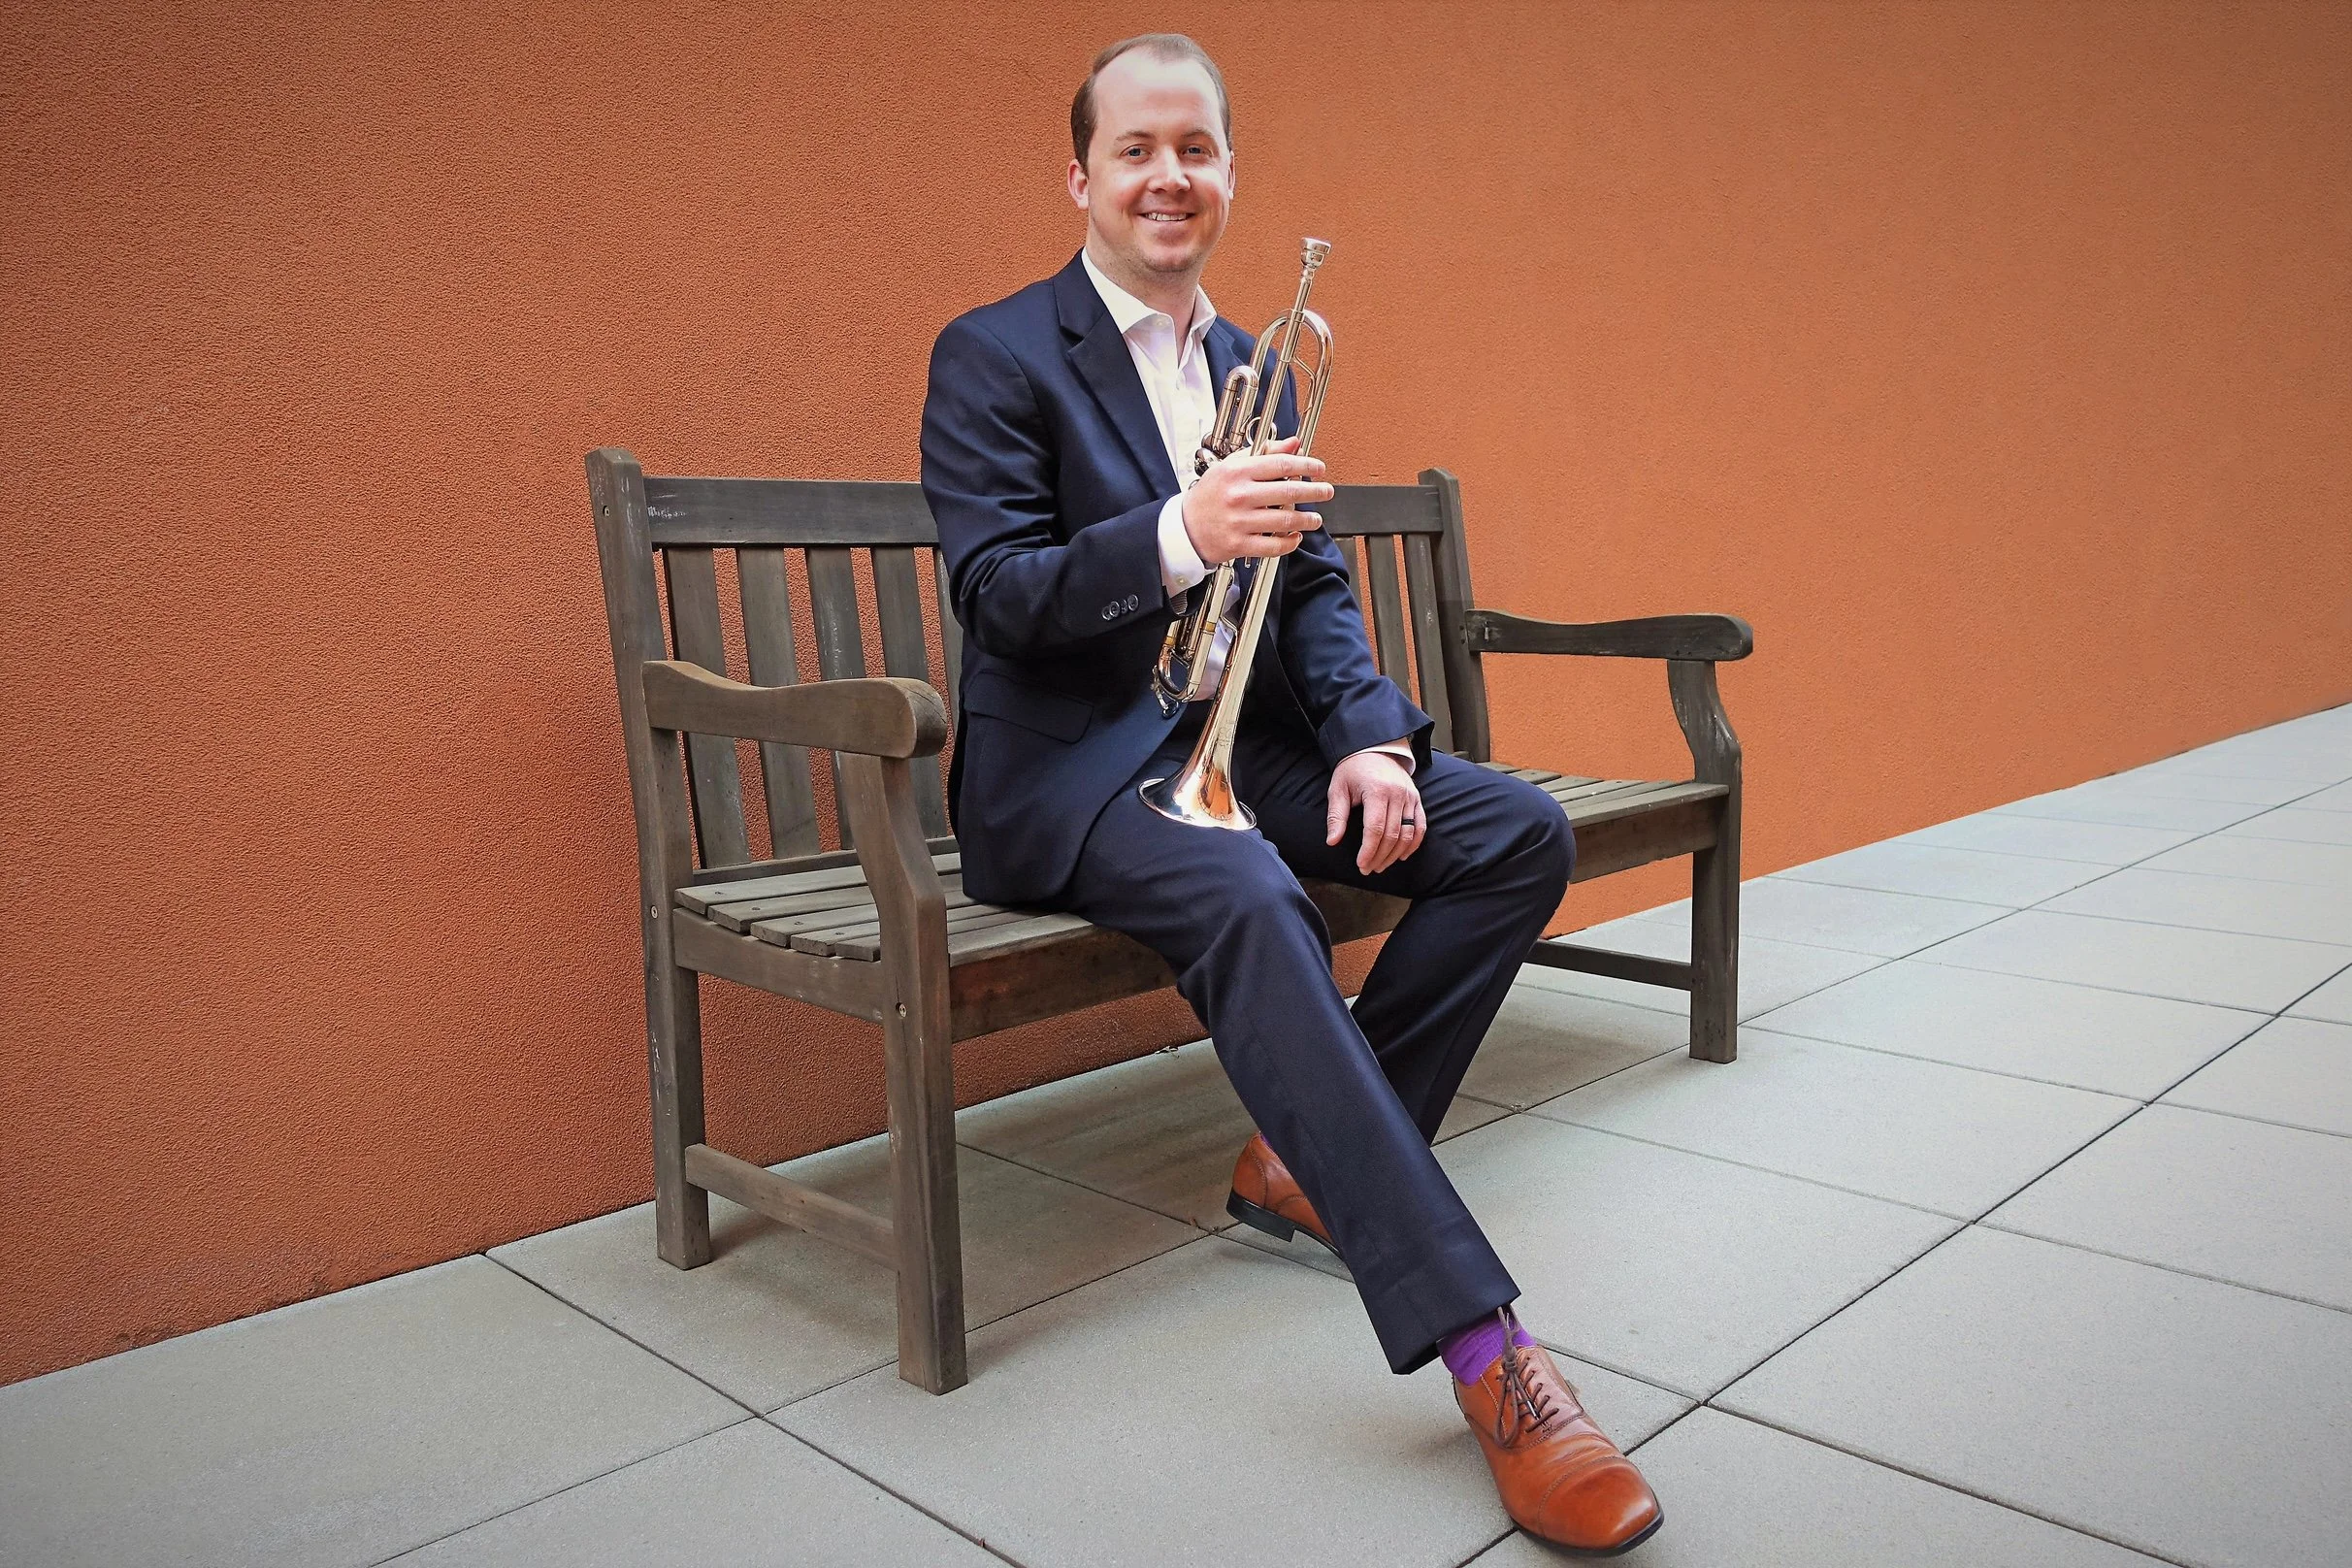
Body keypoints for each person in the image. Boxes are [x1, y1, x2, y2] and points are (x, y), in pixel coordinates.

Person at [919, 33, 1662, 1556]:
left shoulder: (1248, 362)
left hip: (1229, 744)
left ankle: (1309, 1163)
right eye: (1136, 149)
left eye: (1195, 148)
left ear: (1230, 173)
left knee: (1512, 833)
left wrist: (1371, 741)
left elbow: (1311, 587)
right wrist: (1178, 534)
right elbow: (995, 593)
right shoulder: (992, 353)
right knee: (1257, 896)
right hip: (1068, 771)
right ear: (1082, 177)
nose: (1168, 176)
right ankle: (1491, 1357)